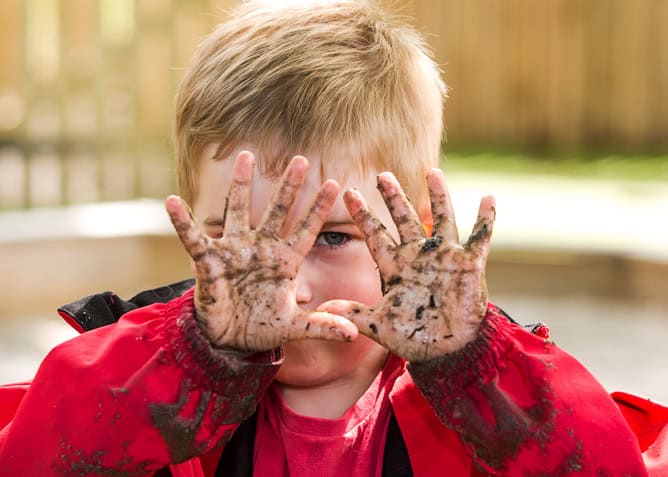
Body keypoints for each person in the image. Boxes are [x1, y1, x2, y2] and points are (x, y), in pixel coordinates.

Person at [1, 0, 666, 475]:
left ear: (419, 239)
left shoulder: (475, 391)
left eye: (333, 238)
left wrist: (474, 369)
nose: (287, 282)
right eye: (245, 242)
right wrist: (198, 357)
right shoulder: (149, 369)